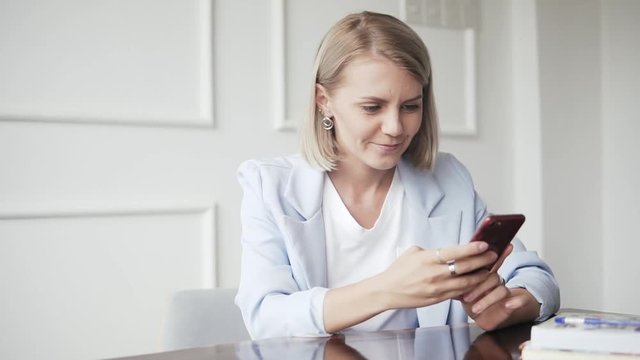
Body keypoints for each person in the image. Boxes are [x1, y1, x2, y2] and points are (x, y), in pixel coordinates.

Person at [235, 11, 560, 340]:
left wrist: (508, 305)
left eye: (410, 106)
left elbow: (535, 278)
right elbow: (264, 316)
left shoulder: (448, 178)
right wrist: (386, 290)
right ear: (324, 101)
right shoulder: (271, 187)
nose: (395, 128)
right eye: (372, 107)